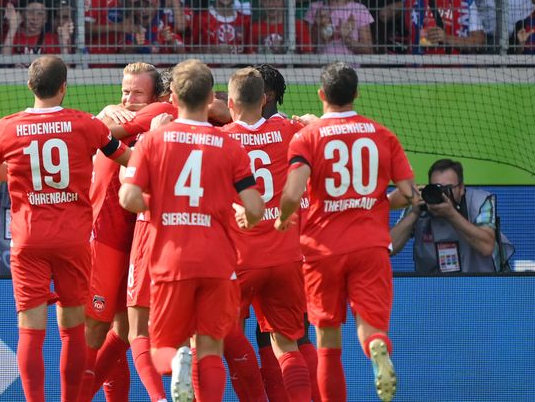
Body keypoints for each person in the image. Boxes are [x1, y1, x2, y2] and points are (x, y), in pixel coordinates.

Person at [0, 55, 132, 402]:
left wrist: (19, 174)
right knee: (72, 331)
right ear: (64, 87)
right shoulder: (85, 124)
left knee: (31, 332)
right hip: (74, 240)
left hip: (29, 239)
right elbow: (129, 158)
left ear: (30, 86)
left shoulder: (7, 126)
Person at [118, 59, 263, 402]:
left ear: (173, 97)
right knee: (211, 349)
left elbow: (128, 196)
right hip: (217, 260)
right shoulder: (228, 143)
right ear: (211, 96)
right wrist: (242, 215)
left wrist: (161, 206)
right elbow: (255, 207)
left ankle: (176, 362)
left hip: (171, 260)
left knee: (164, 346)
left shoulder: (155, 140)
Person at [276, 62, 420, 402]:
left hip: (322, 250)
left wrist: (283, 218)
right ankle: (378, 346)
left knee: (327, 346)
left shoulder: (306, 138)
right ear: (356, 94)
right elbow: (410, 194)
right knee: (371, 325)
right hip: (370, 246)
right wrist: (379, 200)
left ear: (321, 94)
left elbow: (293, 194)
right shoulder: (382, 134)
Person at [80, 62, 172, 402]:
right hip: (106, 235)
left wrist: (102, 121)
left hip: (139, 240)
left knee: (121, 330)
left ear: (158, 95)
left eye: (136, 92)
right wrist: (104, 115)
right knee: (102, 329)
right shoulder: (117, 116)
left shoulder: (159, 114)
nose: (127, 99)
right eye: (124, 91)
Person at [220, 68, 313, 402]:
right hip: (287, 256)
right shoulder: (290, 130)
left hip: (240, 260)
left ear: (229, 102)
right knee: (288, 344)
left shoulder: (222, 138)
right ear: (264, 99)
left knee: (213, 341)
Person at [389, 158, 513, 272]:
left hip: (484, 284)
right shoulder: (422, 201)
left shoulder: (481, 201)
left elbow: (486, 247)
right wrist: (414, 213)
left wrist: (451, 214)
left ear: (461, 188)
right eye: (437, 187)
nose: (442, 193)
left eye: (448, 188)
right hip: (435, 288)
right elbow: (389, 247)